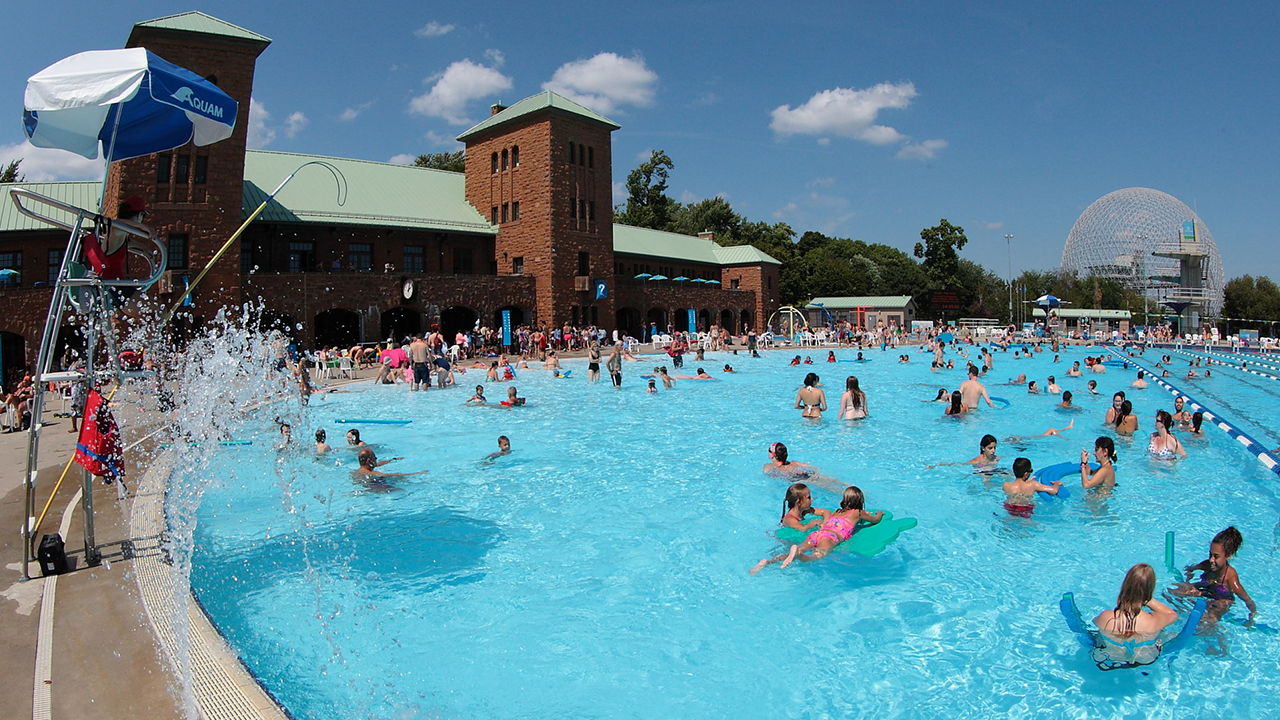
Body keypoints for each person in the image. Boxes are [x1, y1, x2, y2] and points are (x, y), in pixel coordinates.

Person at [751, 486, 883, 572]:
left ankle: (768, 562)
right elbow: (875, 519)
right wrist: (879, 513)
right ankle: (799, 555)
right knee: (816, 557)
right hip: (829, 538)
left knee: (799, 549)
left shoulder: (837, 511)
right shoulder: (858, 512)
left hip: (817, 534)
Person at [1091, 563, 1178, 666]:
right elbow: (1172, 614)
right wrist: (1147, 599)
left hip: (1109, 657)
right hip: (1145, 659)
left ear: (1124, 587)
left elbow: (1094, 622)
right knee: (1168, 634)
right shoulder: (1154, 621)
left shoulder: (1106, 617)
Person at [1178, 526, 1257, 627]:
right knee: (1174, 591)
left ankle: (1216, 633)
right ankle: (1179, 616)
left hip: (1221, 600)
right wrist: (1187, 580)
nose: (1211, 560)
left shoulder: (1231, 579)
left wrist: (1251, 617)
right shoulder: (1207, 565)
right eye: (1210, 554)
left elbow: (1248, 600)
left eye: (1216, 556)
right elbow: (1190, 569)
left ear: (1228, 556)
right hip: (1206, 591)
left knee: (1206, 619)